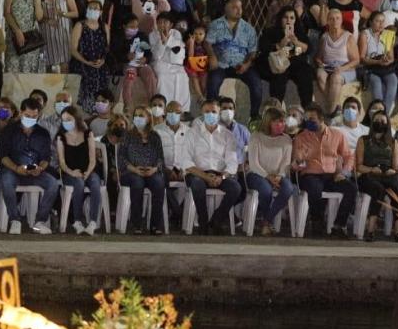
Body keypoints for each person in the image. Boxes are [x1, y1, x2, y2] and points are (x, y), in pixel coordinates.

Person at [175, 99, 242, 235]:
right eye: (207, 111)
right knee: (197, 185)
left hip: (220, 174)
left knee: (235, 188)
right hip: (197, 173)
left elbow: (232, 163)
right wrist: (205, 176)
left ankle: (217, 219)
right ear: (202, 113)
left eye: (214, 112)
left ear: (219, 113)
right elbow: (186, 161)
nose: (210, 114)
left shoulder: (227, 135)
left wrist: (222, 177)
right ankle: (203, 220)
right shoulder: (192, 133)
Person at [292, 103, 356, 237]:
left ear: (321, 119)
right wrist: (300, 160)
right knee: (314, 188)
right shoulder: (301, 137)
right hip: (310, 175)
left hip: (331, 175)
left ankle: (339, 225)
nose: (308, 122)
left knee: (351, 189)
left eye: (312, 119)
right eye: (306, 119)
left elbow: (349, 156)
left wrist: (344, 173)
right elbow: (298, 166)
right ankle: (317, 221)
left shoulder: (337, 135)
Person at [0, 98, 59, 234]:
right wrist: (16, 168)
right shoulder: (9, 130)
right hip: (13, 170)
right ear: (20, 113)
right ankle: (15, 220)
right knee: (6, 181)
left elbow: (46, 158)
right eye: (27, 115)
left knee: (53, 184)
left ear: (39, 115)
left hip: (35, 171)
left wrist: (40, 168)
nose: (30, 119)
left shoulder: (43, 133)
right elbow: (3, 156)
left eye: (34, 116)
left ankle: (40, 222)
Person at [205, 0, 263, 117]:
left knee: (256, 85)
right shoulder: (215, 25)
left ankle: (254, 117)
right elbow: (207, 43)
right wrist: (212, 56)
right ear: (226, 9)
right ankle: (212, 115)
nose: (239, 10)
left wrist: (246, 64)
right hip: (221, 64)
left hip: (242, 65)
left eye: (240, 7)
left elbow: (253, 51)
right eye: (234, 7)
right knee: (213, 83)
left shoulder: (248, 29)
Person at [118, 103, 167, 235]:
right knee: (137, 183)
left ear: (149, 118)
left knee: (159, 183)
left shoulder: (155, 137)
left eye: (141, 116)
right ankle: (137, 224)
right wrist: (134, 169)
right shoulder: (127, 135)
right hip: (130, 172)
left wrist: (154, 169)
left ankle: (155, 225)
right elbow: (121, 158)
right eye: (136, 116)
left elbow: (161, 158)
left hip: (151, 172)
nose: (137, 118)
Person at [246, 107, 296, 236]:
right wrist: (267, 176)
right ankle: (267, 223)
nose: (281, 125)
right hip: (257, 174)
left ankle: (266, 221)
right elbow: (254, 164)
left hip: (278, 175)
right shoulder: (256, 137)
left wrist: (279, 176)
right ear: (268, 122)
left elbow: (286, 163)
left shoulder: (286, 139)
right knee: (266, 190)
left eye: (282, 121)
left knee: (288, 189)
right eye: (277, 122)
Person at [355, 111, 398, 241]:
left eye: (383, 121)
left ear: (387, 124)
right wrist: (372, 169)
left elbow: (395, 168)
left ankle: (397, 231)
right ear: (372, 123)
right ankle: (371, 229)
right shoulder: (363, 140)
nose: (380, 123)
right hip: (368, 175)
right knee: (378, 190)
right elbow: (359, 166)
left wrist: (389, 171)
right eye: (377, 120)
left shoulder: (393, 143)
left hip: (387, 175)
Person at [57, 106, 102, 234]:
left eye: (69, 119)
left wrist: (87, 172)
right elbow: (62, 163)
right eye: (63, 120)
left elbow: (92, 159)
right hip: (70, 173)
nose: (66, 122)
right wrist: (72, 172)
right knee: (79, 183)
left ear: (76, 119)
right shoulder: (61, 137)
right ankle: (77, 221)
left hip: (89, 170)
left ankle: (93, 222)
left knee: (95, 183)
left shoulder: (88, 134)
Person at [69, 0, 111, 111]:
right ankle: (86, 109)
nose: (93, 10)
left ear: (100, 12)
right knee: (86, 81)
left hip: (100, 65)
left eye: (96, 8)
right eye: (90, 8)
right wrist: (86, 62)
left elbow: (107, 48)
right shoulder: (80, 25)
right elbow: (73, 49)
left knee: (102, 87)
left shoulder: (104, 27)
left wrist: (102, 60)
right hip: (82, 64)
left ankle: (100, 109)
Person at [4, 0, 46, 73]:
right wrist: (17, 31)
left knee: (29, 71)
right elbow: (7, 13)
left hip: (31, 39)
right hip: (15, 37)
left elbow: (39, 17)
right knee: (13, 69)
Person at [150, 12, 190, 116]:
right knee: (162, 77)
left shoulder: (176, 33)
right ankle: (163, 109)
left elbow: (178, 48)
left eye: (165, 22)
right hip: (160, 63)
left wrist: (167, 39)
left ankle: (182, 110)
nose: (162, 25)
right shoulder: (152, 35)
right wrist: (162, 42)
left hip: (175, 64)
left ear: (171, 24)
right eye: (160, 22)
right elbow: (156, 55)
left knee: (183, 77)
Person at [39, 0, 77, 73]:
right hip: (46, 36)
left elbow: (75, 13)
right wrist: (46, 20)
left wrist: (63, 13)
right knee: (46, 67)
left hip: (63, 35)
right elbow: (37, 17)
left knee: (64, 66)